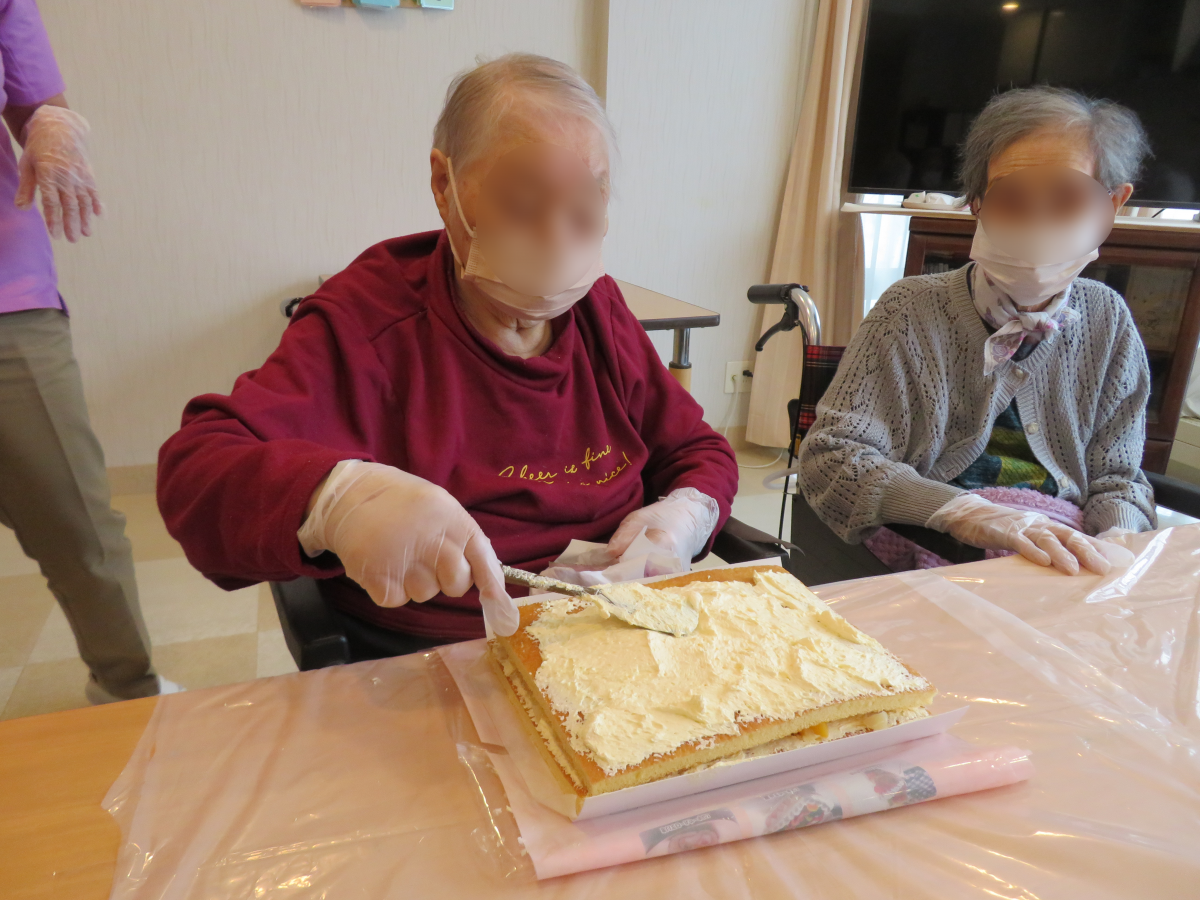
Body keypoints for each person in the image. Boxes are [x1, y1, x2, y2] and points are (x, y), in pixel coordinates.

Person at [157, 54, 738, 652]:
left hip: (612, 631)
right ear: (444, 183)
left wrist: (683, 516)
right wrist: (333, 500)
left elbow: (697, 450)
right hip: (450, 653)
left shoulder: (599, 312)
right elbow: (197, 473)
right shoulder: (370, 322)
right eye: (523, 202)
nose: (557, 237)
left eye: (585, 208)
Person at [800, 86, 1155, 576]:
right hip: (931, 546)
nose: (1037, 221)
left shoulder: (1108, 319)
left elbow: (1118, 477)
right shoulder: (909, 311)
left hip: (1063, 557)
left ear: (1112, 204)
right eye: (1012, 198)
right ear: (976, 204)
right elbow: (832, 457)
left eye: (1066, 198)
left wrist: (1117, 539)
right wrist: (963, 513)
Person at [1, 0, 178, 702]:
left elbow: (35, 102)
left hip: (7, 292)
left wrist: (52, 127)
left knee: (74, 515)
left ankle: (128, 690)